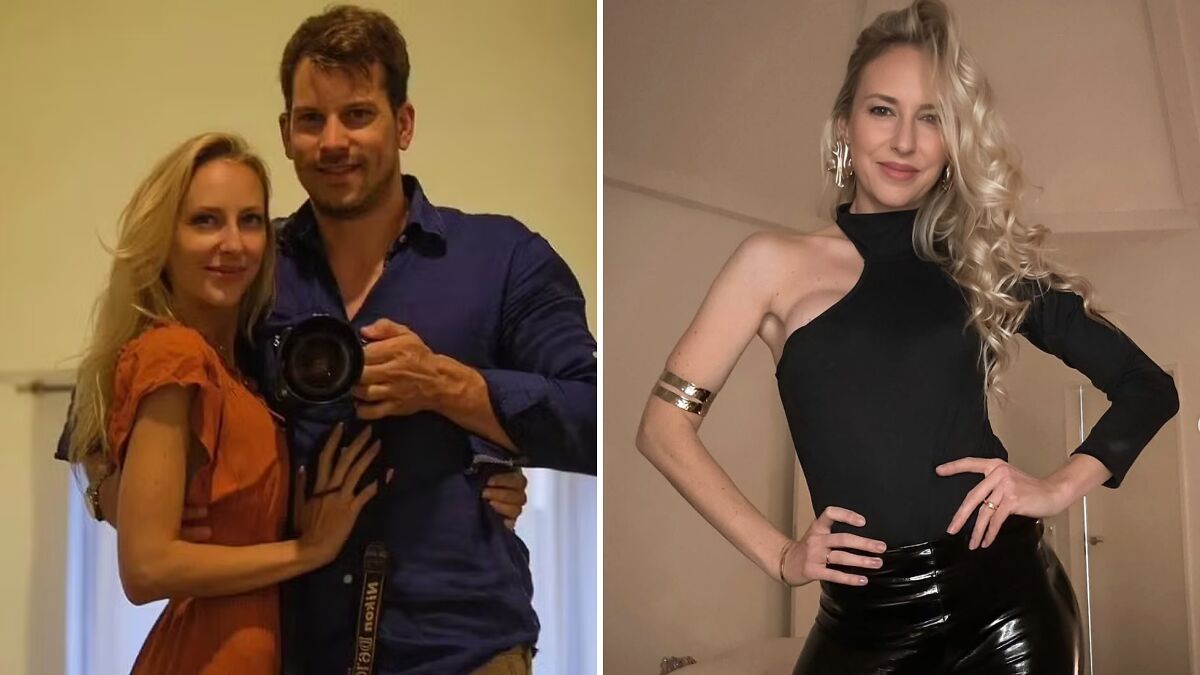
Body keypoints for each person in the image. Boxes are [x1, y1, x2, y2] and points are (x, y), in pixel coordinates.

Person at [634, 1, 1178, 673]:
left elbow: (1147, 385)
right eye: (882, 110)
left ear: (953, 142)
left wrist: (1058, 488)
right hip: (862, 620)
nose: (904, 142)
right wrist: (780, 554)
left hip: (1007, 607)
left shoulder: (984, 261)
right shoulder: (769, 264)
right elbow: (662, 427)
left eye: (932, 118)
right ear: (843, 127)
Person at [68, 5, 595, 674]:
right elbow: (100, 406)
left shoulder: (501, 257)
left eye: (358, 114)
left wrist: (452, 389)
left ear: (403, 123)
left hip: (460, 646)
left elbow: (596, 420)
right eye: (311, 120)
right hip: (295, 645)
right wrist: (114, 497)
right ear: (286, 134)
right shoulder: (250, 267)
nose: (333, 140)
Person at [62, 132, 388, 673]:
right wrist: (306, 551)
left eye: (251, 221)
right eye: (205, 221)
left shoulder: (236, 370)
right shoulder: (175, 354)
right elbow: (146, 567)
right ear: (163, 239)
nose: (233, 244)